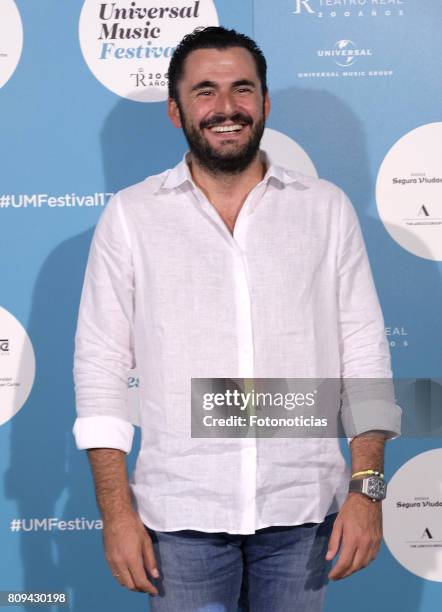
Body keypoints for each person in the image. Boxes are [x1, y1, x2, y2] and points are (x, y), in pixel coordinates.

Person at [73, 26, 401, 612]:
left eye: (241, 89)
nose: (226, 108)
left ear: (265, 103)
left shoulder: (325, 210)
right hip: (179, 519)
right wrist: (117, 511)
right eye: (205, 91)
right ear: (176, 110)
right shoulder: (131, 217)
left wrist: (368, 491)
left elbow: (366, 353)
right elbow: (99, 367)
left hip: (303, 514)